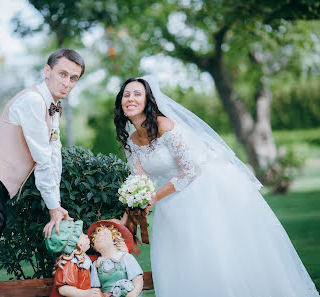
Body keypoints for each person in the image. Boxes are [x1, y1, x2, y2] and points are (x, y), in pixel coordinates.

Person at [113, 76, 318, 297]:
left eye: (137, 94)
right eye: (126, 95)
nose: (131, 98)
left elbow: (191, 170)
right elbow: (140, 183)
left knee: (213, 253)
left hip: (201, 191)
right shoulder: (131, 140)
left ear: (148, 101)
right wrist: (130, 215)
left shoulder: (165, 125)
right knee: (178, 257)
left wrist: (154, 198)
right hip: (169, 200)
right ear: (121, 104)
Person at [0, 49, 85, 297]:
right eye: (62, 74)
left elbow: (53, 156)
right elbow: (41, 157)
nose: (67, 82)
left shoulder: (52, 107)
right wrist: (52, 208)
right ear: (47, 71)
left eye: (73, 78)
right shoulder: (32, 101)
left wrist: (56, 204)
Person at [46, 220, 104, 297]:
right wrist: (86, 293)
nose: (86, 236)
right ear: (75, 247)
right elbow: (63, 289)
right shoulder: (69, 265)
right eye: (82, 235)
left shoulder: (85, 259)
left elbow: (101, 258)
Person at [88, 220, 143, 297]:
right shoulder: (96, 265)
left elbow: (138, 280)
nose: (99, 237)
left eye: (104, 234)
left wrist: (134, 293)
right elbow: (96, 289)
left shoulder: (125, 257)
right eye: (96, 237)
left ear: (114, 239)